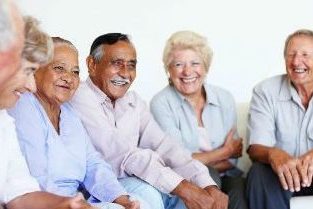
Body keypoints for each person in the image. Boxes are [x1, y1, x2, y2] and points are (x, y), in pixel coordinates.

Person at [70, 32, 228, 209]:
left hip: (134, 183)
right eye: (116, 63)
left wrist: (208, 186)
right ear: (92, 64)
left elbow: (166, 147)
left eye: (131, 65)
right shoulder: (80, 97)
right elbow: (120, 153)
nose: (125, 73)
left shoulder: (134, 102)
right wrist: (183, 188)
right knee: (151, 193)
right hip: (99, 189)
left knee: (198, 193)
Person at [8, 35, 140, 209]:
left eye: (75, 72)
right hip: (49, 203)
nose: (69, 78)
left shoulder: (69, 112)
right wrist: (72, 204)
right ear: (36, 70)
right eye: (59, 68)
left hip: (77, 201)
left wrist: (120, 198)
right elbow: (37, 176)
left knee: (142, 195)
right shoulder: (23, 105)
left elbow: (93, 163)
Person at [0, 4, 95, 209]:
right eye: (27, 71)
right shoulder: (22, 109)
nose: (31, 86)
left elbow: (19, 194)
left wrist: (68, 204)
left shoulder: (3, 121)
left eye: (75, 72)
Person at [150, 31, 247, 209]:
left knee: (241, 194)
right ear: (168, 70)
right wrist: (224, 152)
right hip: (187, 180)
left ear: (205, 67)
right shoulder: (160, 104)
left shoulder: (224, 98)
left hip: (229, 174)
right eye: (178, 64)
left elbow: (234, 157)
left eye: (195, 63)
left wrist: (202, 157)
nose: (187, 71)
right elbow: (176, 160)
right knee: (208, 183)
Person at [246, 29, 313, 209]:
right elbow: (255, 147)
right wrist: (273, 153)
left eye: (305, 54)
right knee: (259, 172)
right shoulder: (265, 91)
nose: (296, 61)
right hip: (281, 176)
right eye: (291, 54)